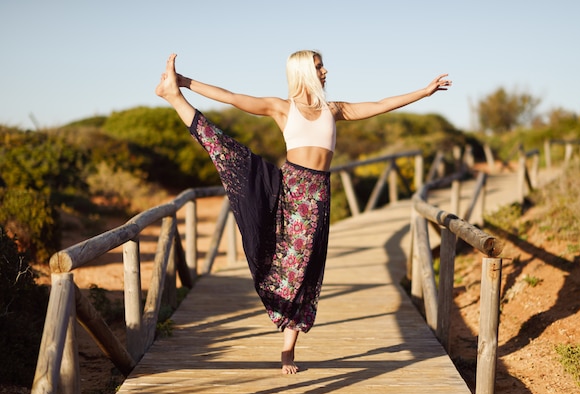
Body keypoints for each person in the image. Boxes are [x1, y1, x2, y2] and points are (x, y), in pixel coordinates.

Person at [156, 51, 451, 374]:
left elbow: (379, 105)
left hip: (317, 198)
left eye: (322, 65)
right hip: (289, 192)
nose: (325, 71)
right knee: (225, 150)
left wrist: (423, 92)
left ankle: (288, 349)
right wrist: (185, 82)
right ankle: (174, 96)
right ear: (302, 72)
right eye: (318, 66)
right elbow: (231, 97)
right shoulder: (282, 108)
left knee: (305, 273)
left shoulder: (333, 109)